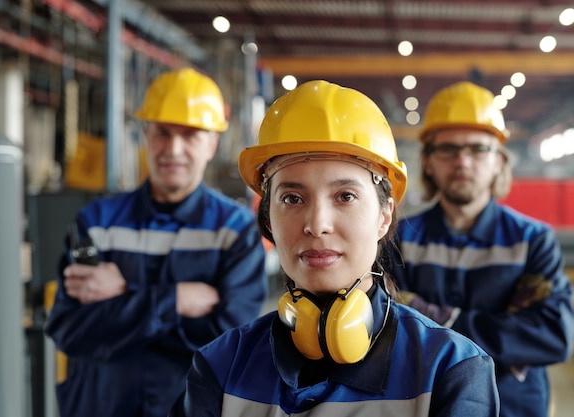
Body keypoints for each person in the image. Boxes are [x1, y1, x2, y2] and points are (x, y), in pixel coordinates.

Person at [168, 80, 500, 417]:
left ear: (384, 217)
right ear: (268, 220)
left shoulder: (449, 371)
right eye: (292, 198)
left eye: (345, 196)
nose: (317, 224)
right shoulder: (219, 366)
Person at [44, 67, 268, 417]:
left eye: (190, 135)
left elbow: (228, 347)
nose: (173, 149)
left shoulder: (234, 231)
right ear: (145, 135)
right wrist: (178, 299)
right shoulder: (97, 222)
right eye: (162, 133)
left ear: (212, 143)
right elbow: (71, 330)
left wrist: (123, 297)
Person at [389, 81, 574, 417]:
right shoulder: (401, 238)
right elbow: (386, 328)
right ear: (428, 162)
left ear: (498, 161)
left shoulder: (532, 241)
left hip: (514, 407)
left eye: (478, 149)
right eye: (447, 149)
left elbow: (553, 334)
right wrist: (502, 330)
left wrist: (439, 320)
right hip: (429, 405)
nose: (462, 161)